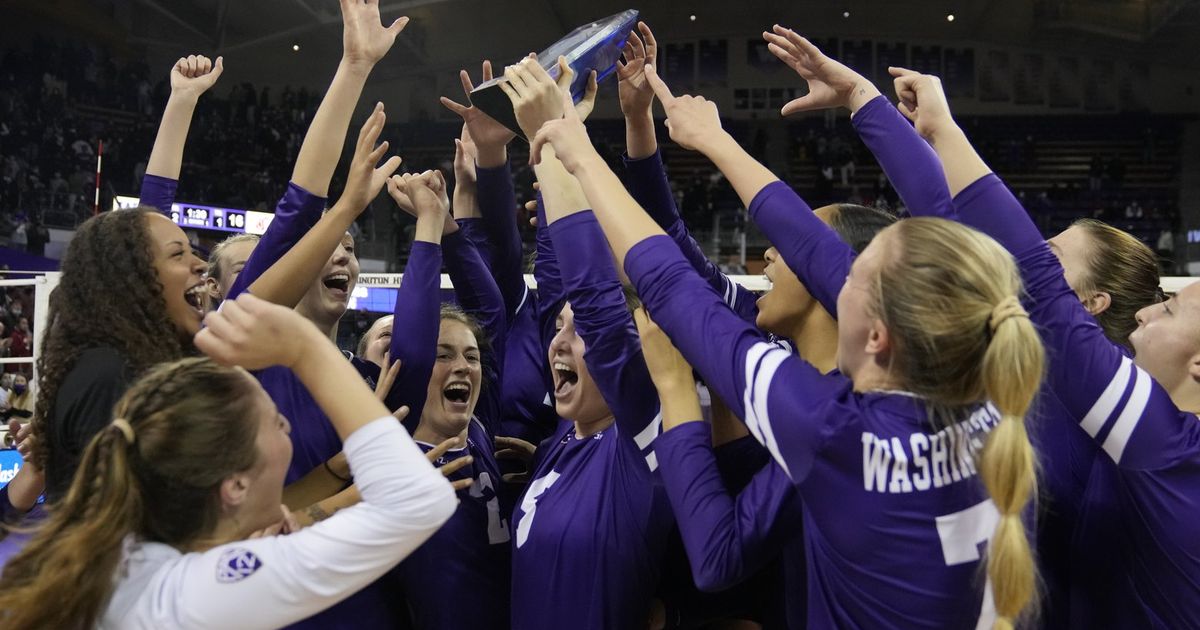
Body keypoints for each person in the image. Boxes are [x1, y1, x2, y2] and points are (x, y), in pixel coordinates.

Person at [528, 44, 1045, 628]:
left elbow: (676, 286)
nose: (822, 268)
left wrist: (576, 155)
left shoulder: (829, 425)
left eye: (853, 277)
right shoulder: (994, 389)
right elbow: (818, 246)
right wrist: (845, 105)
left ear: (878, 335)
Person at [887, 64, 1200, 629]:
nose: (1153, 308)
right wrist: (878, 114)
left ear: (1091, 303)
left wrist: (934, 130)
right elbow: (958, 231)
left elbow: (1018, 270)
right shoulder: (1118, 408)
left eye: (1054, 261)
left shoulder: (1131, 426)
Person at [0, 293, 456, 629]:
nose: (290, 430)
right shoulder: (191, 597)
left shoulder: (114, 551)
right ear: (233, 486)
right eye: (277, 423)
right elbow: (419, 500)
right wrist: (306, 349)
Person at [502, 58, 672, 630]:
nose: (560, 342)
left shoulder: (643, 434)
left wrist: (554, 143)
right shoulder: (559, 443)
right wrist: (561, 130)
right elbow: (561, 287)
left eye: (581, 335)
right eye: (557, 331)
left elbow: (594, 300)